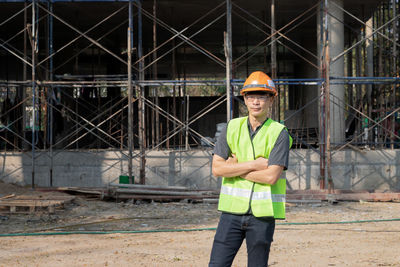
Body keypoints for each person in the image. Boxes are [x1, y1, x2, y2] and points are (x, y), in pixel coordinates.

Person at [209, 71, 292, 267]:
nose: (256, 102)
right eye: (251, 96)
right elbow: (217, 169)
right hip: (231, 213)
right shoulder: (231, 128)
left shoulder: (279, 133)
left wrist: (234, 168)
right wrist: (254, 165)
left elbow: (271, 176)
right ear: (244, 100)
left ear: (271, 100)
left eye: (262, 96)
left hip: (262, 216)